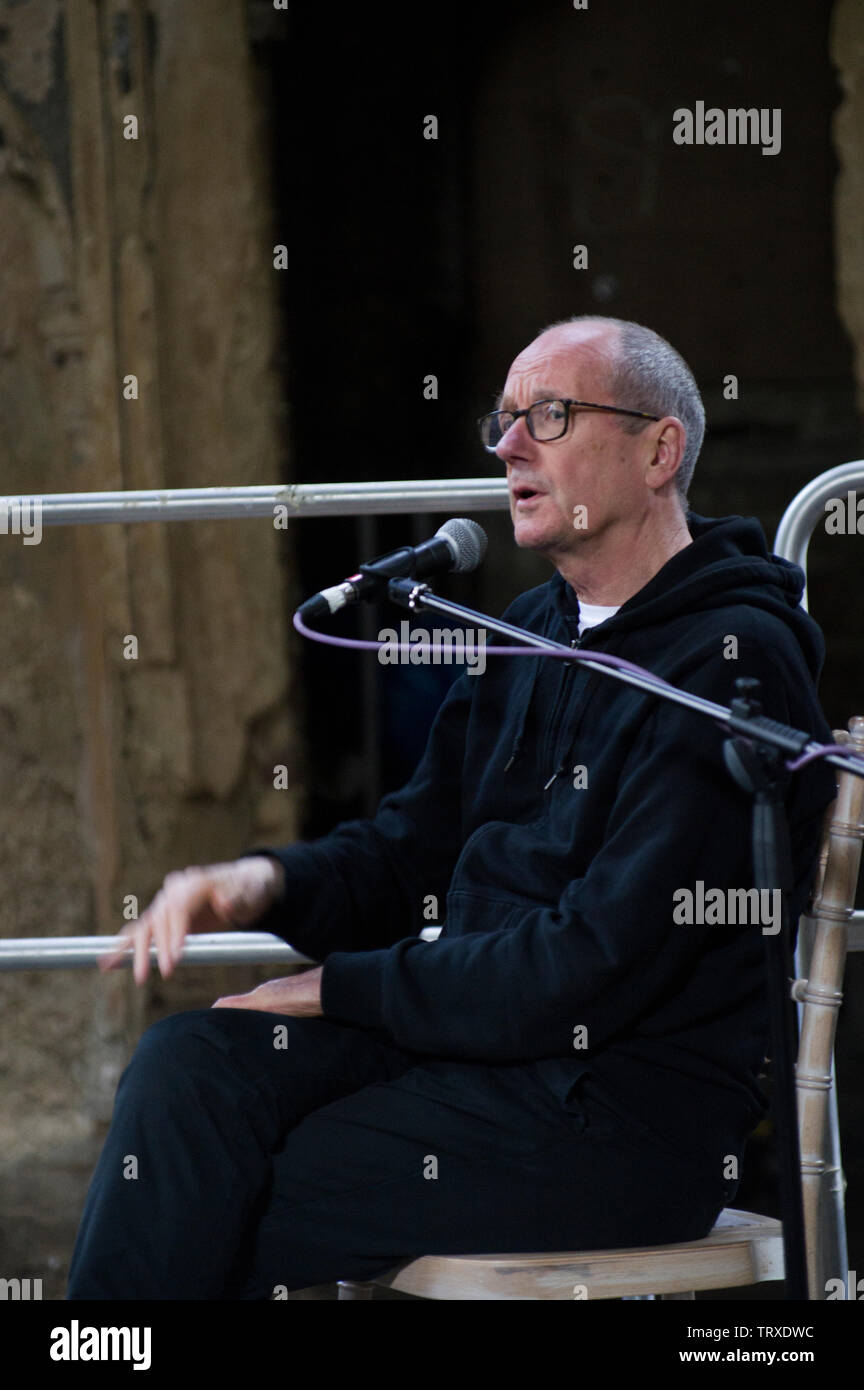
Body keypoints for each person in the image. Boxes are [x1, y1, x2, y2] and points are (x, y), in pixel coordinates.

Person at [67, 315, 837, 1300]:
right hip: (470, 1056)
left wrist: (338, 987)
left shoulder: (734, 660)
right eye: (504, 419)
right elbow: (405, 856)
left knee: (215, 1183)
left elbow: (587, 964)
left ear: (660, 450)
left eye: (550, 415)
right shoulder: (526, 629)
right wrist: (259, 880)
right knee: (192, 1065)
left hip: (616, 1116)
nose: (510, 444)